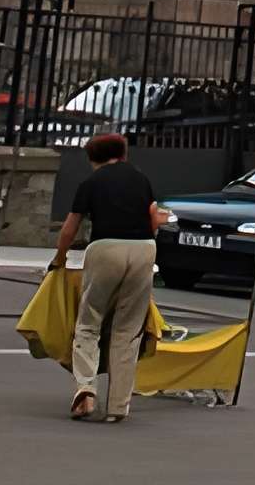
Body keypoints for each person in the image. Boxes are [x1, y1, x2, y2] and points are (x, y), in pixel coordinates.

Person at [54, 131, 171, 422]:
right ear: (123, 153)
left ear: (92, 158)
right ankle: (119, 406)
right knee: (128, 329)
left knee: (89, 322)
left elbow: (69, 228)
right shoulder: (141, 179)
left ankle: (86, 389)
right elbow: (154, 217)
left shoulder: (91, 182)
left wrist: (59, 259)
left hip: (106, 248)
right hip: (144, 248)